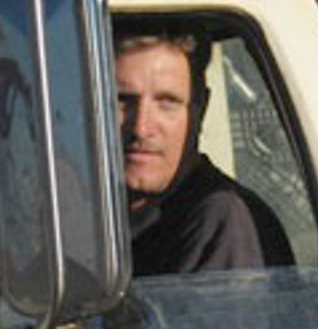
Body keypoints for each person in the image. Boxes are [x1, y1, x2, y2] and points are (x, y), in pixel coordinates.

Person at [115, 30, 293, 274]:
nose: (141, 127)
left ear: (201, 109)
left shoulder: (223, 222)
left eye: (167, 102)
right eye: (122, 100)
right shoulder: (93, 213)